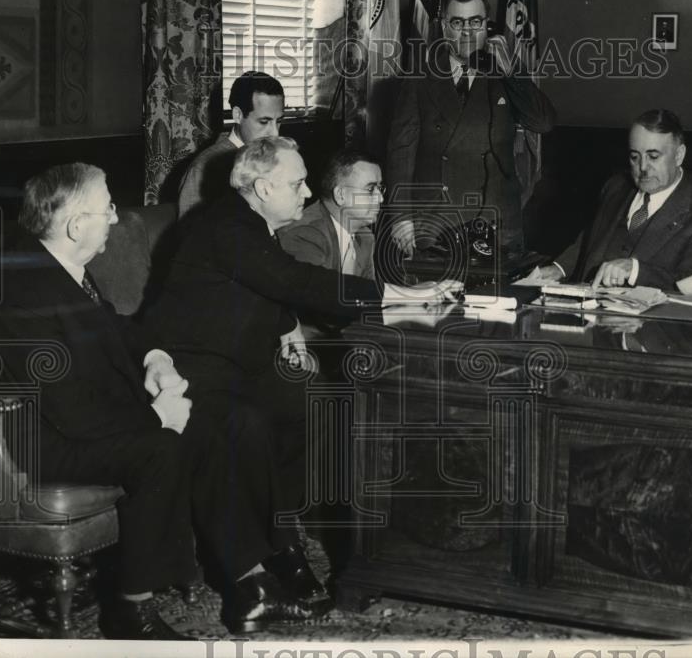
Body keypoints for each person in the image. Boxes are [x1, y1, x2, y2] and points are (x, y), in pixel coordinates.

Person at [0, 163, 323, 638]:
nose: (115, 216)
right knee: (161, 449)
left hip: (61, 416)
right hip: (16, 434)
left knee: (223, 420)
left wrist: (155, 356)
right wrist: (155, 416)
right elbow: (72, 412)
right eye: (106, 206)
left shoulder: (59, 266)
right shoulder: (26, 289)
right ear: (74, 224)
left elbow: (114, 328)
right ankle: (132, 609)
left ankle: (248, 586)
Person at [145, 138, 458, 574]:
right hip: (190, 369)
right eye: (298, 183)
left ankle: (282, 523)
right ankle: (272, 545)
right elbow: (295, 280)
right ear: (263, 188)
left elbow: (256, 284)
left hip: (234, 359)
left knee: (318, 404)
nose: (309, 193)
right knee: (261, 419)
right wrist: (402, 293)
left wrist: (284, 324)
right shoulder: (227, 225)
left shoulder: (249, 223)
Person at [386, 0, 556, 255]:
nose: (467, 32)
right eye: (457, 22)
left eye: (475, 22)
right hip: (437, 220)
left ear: (486, 26)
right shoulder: (420, 78)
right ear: (444, 27)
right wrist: (401, 217)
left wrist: (511, 71)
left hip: (497, 221)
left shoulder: (505, 71)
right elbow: (401, 154)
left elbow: (543, 123)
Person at [548, 109, 692, 290]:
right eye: (635, 157)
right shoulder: (616, 187)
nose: (642, 167)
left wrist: (635, 271)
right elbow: (590, 239)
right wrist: (559, 269)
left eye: (653, 156)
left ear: (679, 155)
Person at [177, 71, 285, 218]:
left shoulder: (276, 157)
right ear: (238, 115)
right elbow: (192, 236)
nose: (275, 133)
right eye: (264, 122)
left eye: (278, 121)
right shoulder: (205, 168)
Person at [278, 149, 383, 281]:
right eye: (370, 189)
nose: (380, 198)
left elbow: (368, 295)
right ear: (340, 195)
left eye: (380, 188)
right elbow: (318, 297)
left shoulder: (365, 237)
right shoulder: (304, 234)